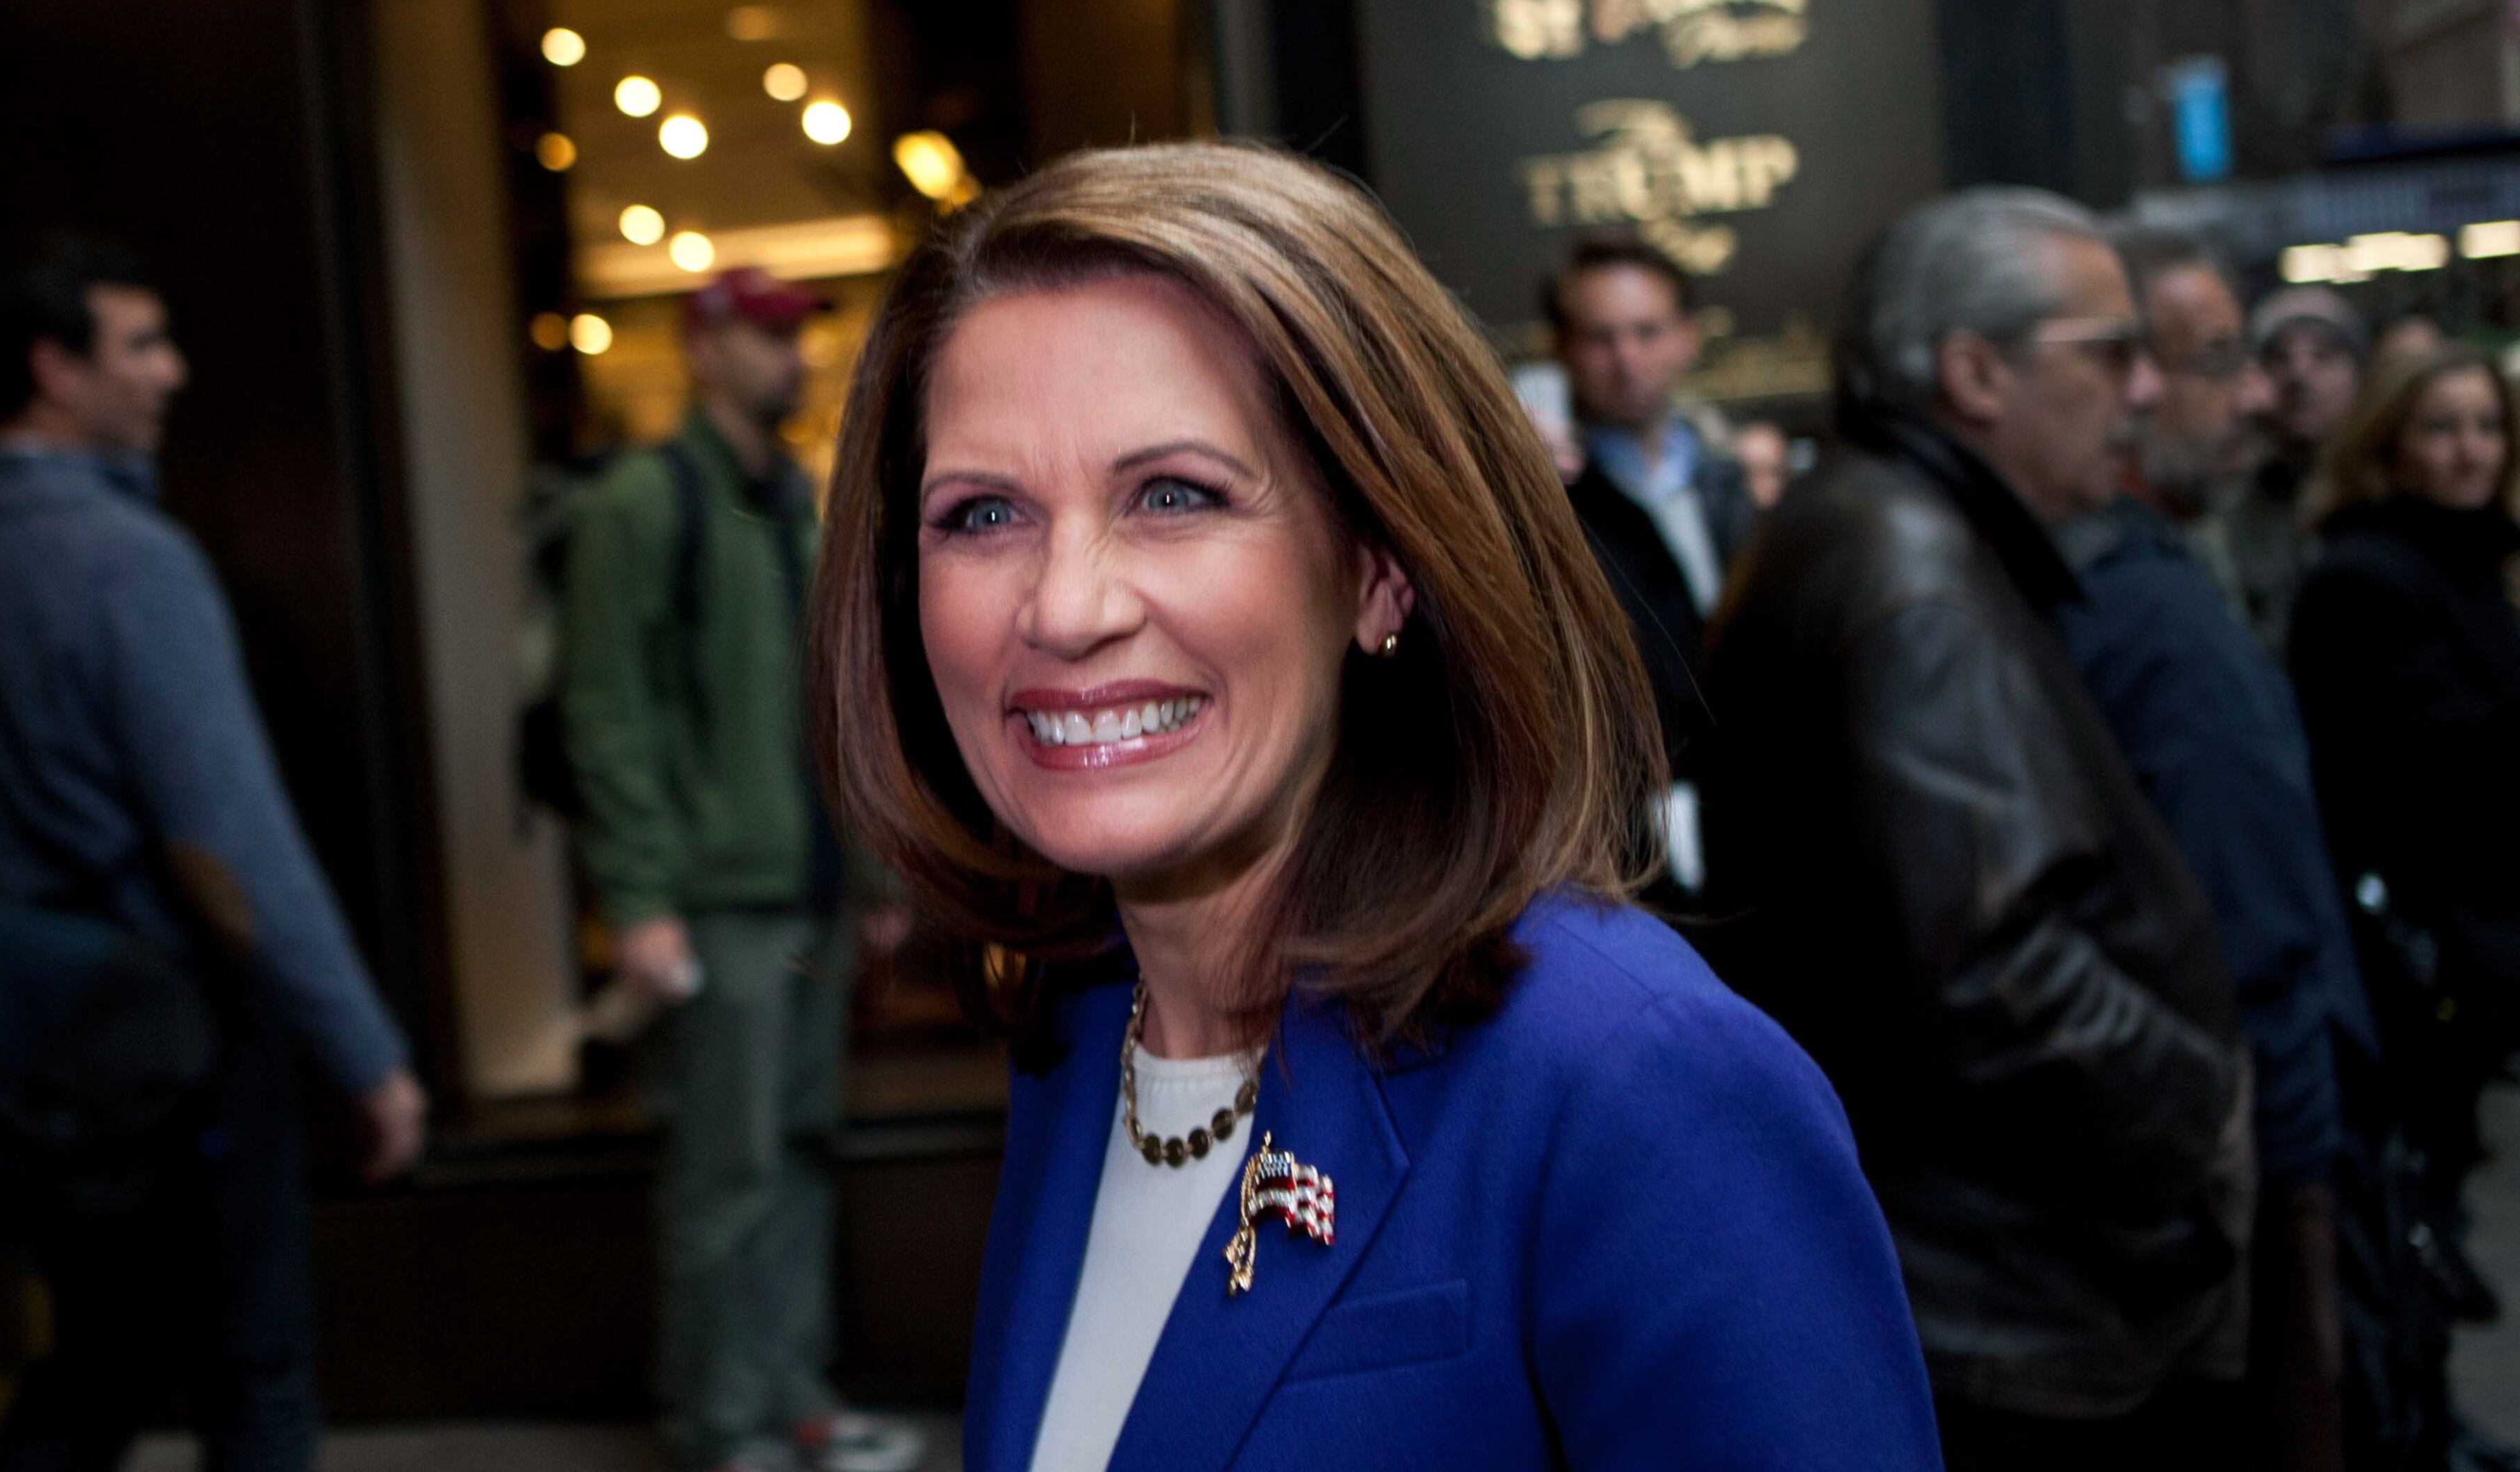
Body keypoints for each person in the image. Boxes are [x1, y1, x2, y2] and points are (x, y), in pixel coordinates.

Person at [810, 143, 1940, 1471]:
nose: (1064, 607)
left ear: (1380, 570)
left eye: (1174, 496)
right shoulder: (1079, 1031)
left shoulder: (1633, 1082)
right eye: (984, 512)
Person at [1701, 188, 2256, 1468]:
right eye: (2109, 353)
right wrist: (2201, 1109)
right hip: (2003, 1303)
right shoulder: (1914, 573)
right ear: (1973, 372)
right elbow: (1994, 972)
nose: (2138, 391)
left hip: (1983, 1277)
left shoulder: (1884, 531)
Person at [0, 238, 426, 1466]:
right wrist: (368, 1058)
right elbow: (233, 845)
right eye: (143, 345)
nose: (174, 372)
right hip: (177, 1047)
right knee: (255, 1379)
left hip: (7, 1054)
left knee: (100, 1360)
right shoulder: (125, 562)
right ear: (55, 368)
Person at [558, 268, 921, 1472]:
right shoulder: (642, 504)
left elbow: (830, 704)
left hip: (807, 892)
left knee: (802, 1156)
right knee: (727, 1174)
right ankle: (723, 1427)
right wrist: (643, 901)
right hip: (716, 904)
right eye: (767, 335)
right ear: (701, 347)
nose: (793, 356)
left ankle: (795, 1403)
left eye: (797, 335)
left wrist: (871, 875)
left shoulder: (786, 500)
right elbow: (608, 714)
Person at [2055, 228, 2381, 1472]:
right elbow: (2239, 933)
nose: (2253, 394)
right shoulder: (2138, 610)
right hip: (2250, 1149)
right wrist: (2289, 1154)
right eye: (2220, 360)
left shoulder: (2151, 572)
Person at [2288, 344, 2520, 1335]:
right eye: (2442, 428)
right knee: (2410, 1205)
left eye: (2486, 426)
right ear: (2389, 447)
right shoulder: (2365, 578)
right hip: (2413, 954)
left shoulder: (2477, 565)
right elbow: (2432, 780)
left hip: (2466, 945)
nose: (2470, 452)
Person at [1543, 232, 1753, 776]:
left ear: (1687, 337)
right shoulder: (1546, 496)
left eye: (1647, 332)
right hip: (1622, 790)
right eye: (1600, 337)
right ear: (1561, 347)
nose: (1626, 358)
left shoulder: (1736, 479)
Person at [2233, 287, 2367, 656]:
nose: (2299, 374)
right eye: (2279, 357)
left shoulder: (2391, 497)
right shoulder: (2224, 505)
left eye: (2323, 356)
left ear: (2358, 375)